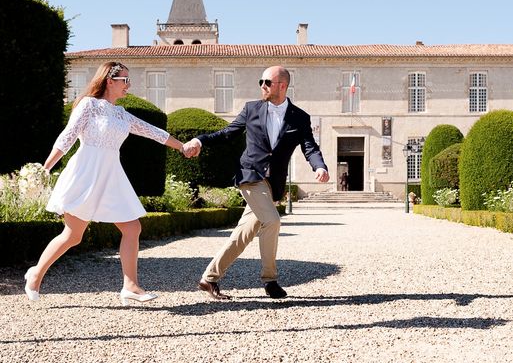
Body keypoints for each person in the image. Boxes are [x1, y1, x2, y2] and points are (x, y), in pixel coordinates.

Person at [24, 62, 186, 306]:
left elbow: (152, 131)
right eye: (124, 80)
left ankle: (130, 286)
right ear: (110, 81)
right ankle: (35, 274)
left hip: (112, 176)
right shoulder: (89, 105)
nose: (128, 85)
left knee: (132, 228)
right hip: (86, 173)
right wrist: (45, 167)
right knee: (72, 236)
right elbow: (67, 136)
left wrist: (182, 146)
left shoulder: (120, 113)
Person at [183, 65, 329, 299]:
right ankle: (270, 280)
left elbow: (309, 146)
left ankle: (209, 279)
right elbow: (227, 133)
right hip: (250, 176)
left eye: (267, 82)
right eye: (261, 82)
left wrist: (319, 166)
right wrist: (199, 141)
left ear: (282, 86)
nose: (262, 86)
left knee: (243, 234)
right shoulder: (251, 109)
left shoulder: (300, 117)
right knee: (272, 221)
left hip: (274, 183)